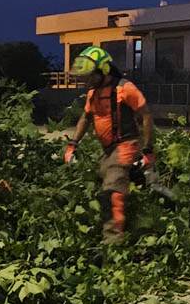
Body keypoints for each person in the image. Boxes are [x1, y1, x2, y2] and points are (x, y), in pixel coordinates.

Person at [63, 46, 155, 244]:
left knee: (112, 191)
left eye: (88, 76)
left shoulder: (124, 88)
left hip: (126, 145)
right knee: (103, 180)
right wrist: (73, 144)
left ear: (103, 70)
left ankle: (113, 243)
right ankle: (143, 213)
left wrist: (148, 149)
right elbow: (86, 117)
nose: (85, 80)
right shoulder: (93, 93)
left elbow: (146, 116)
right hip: (108, 150)